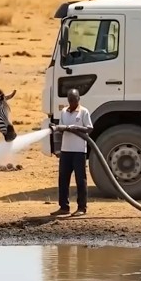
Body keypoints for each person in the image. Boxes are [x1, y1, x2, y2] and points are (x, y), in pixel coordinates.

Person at [51, 89, 93, 217]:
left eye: (74, 100)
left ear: (78, 99)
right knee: (63, 179)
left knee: (81, 180)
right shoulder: (64, 111)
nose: (72, 102)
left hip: (79, 151)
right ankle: (64, 207)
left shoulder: (84, 111)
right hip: (66, 151)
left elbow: (89, 129)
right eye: (70, 100)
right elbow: (61, 128)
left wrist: (76, 128)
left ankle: (82, 207)